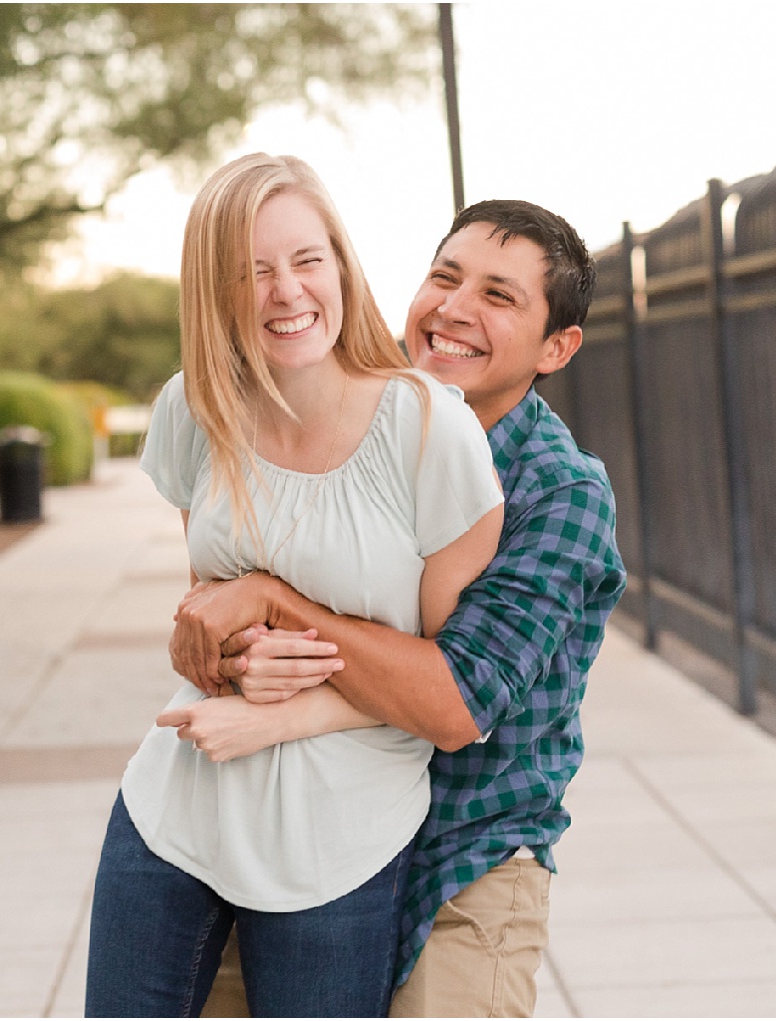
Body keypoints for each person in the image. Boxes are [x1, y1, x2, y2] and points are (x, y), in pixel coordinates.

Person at [167, 198, 627, 1018]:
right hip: (313, 818)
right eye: (444, 277)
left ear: (557, 347)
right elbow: (226, 615)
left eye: (499, 295)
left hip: (465, 849)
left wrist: (276, 601)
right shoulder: (347, 420)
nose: (453, 309)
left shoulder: (561, 493)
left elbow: (455, 702)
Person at [83, 153, 505, 1018]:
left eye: (306, 260)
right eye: (252, 272)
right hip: (175, 806)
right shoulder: (191, 412)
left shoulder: (428, 429)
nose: (287, 291)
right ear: (215, 291)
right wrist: (219, 651)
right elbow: (204, 610)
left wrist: (284, 699)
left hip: (341, 837)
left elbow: (444, 688)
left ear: (341, 264)